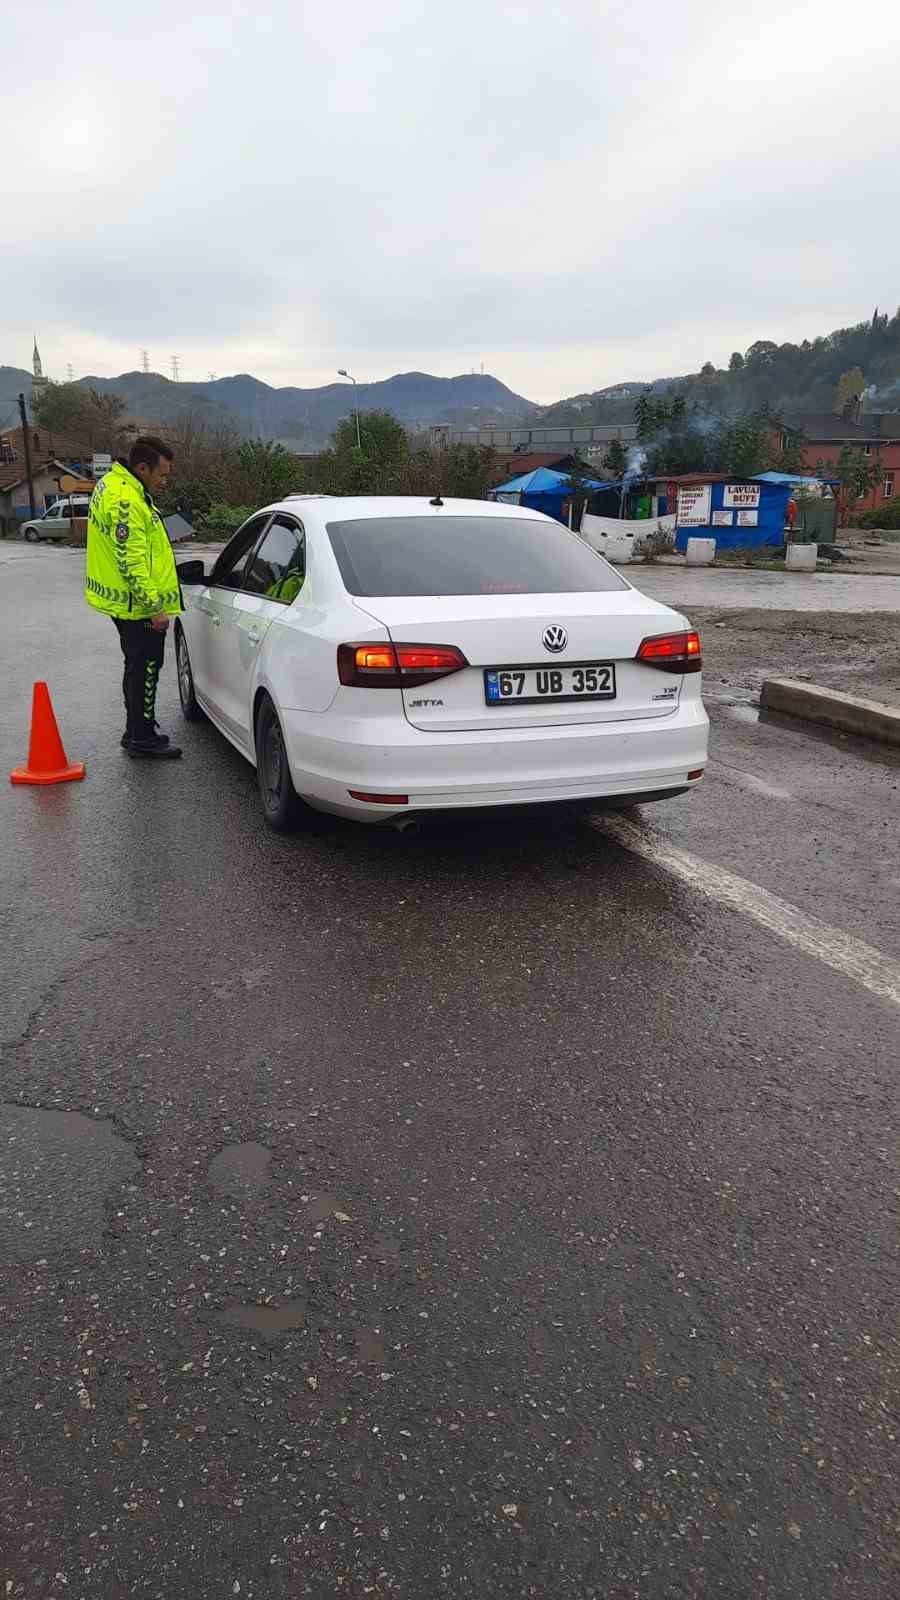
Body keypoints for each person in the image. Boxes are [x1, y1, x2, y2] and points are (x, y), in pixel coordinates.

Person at [85, 436, 183, 759]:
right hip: (136, 605)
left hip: (124, 603)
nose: (164, 481)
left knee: (135, 667)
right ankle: (142, 737)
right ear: (142, 468)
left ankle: (135, 731)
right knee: (146, 668)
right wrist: (154, 608)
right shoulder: (126, 499)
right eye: (162, 474)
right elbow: (131, 561)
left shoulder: (113, 483)